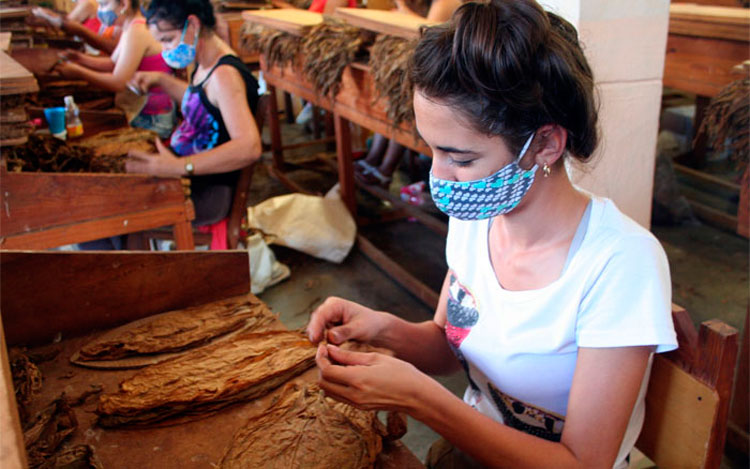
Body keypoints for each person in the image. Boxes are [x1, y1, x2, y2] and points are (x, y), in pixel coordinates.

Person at [307, 1, 677, 468]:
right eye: (431, 150)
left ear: (544, 144)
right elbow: (453, 342)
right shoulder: (475, 219)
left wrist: (423, 400)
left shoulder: (621, 264)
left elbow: (583, 463)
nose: (438, 176)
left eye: (460, 159)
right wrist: (384, 330)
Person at [125, 0, 262, 242]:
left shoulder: (224, 76)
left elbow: (249, 147)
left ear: (193, 25)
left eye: (168, 39)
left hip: (209, 192)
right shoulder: (205, 64)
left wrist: (179, 167)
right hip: (191, 179)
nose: (165, 50)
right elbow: (204, 104)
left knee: (110, 215)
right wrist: (163, 81)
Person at [354, 0, 461, 187]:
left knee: (403, 100)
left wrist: (402, 7)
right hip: (425, 65)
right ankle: (374, 157)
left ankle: (386, 167)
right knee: (390, 96)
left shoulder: (446, 1)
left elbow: (426, 31)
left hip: (443, 73)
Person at [52, 0, 175, 138]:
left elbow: (118, 83)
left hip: (151, 119)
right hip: (141, 112)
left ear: (124, 4)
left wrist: (78, 72)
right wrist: (79, 59)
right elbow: (113, 63)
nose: (100, 10)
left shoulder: (137, 31)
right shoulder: (131, 27)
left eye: (104, 5)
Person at [31, 0, 121, 55]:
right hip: (92, 49)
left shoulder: (88, 3)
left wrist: (46, 14)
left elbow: (67, 24)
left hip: (95, 51)